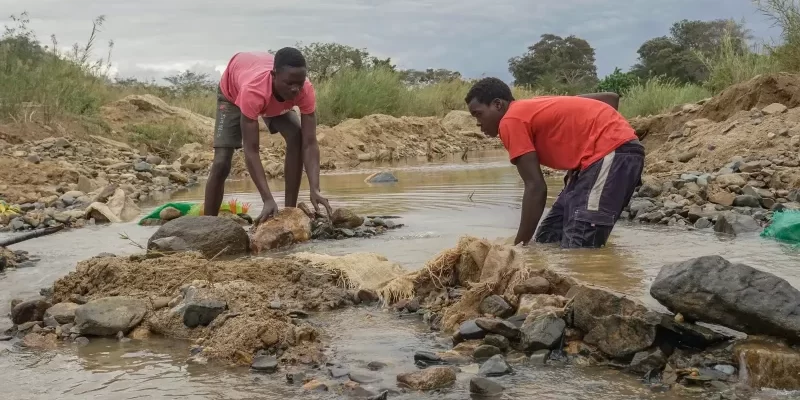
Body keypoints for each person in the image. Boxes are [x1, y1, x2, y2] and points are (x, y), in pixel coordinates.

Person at [464, 77, 644, 248]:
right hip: (599, 159)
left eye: (478, 115)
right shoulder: (531, 106)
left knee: (581, 245)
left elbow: (536, 187)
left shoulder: (510, 121)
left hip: (611, 154)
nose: (478, 123)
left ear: (497, 104)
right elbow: (610, 99)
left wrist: (518, 247)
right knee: (548, 239)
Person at [205, 47, 332, 225]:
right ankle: (207, 224)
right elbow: (251, 149)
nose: (295, 89)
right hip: (232, 93)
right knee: (221, 162)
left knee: (297, 137)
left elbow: (310, 143)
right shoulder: (253, 91)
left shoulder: (305, 90)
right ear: (274, 75)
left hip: (270, 95)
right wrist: (267, 199)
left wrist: (315, 189)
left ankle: (290, 211)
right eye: (290, 83)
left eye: (299, 83)